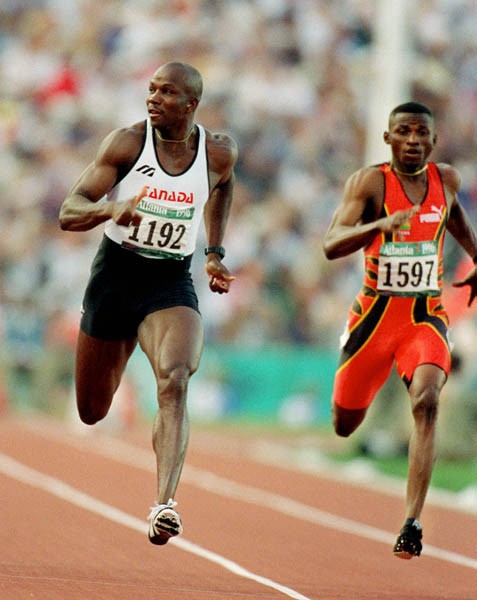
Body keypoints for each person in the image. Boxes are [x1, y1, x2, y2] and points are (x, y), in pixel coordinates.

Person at [59, 61, 238, 545]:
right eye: (151, 89)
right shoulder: (127, 143)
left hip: (169, 280)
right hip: (116, 276)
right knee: (93, 410)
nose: (153, 98)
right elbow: (68, 211)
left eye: (166, 92)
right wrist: (109, 208)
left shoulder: (218, 153)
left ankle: (165, 504)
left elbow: (222, 189)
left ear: (191, 104)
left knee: (175, 378)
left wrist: (215, 252)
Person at [323, 102, 477, 559]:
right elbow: (331, 242)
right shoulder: (369, 182)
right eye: (403, 132)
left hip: (423, 318)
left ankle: (412, 521)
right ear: (388, 139)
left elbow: (455, 219)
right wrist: (380, 224)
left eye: (421, 133)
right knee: (345, 425)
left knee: (427, 401)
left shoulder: (445, 181)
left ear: (433, 140)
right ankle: (350, 392)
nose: (413, 139)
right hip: (373, 321)